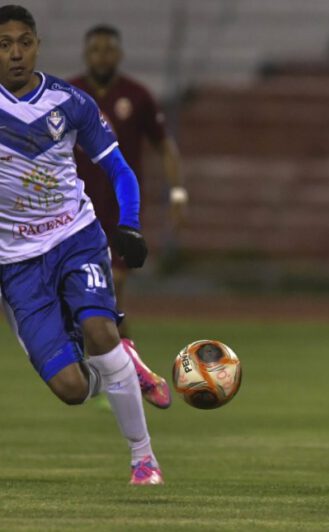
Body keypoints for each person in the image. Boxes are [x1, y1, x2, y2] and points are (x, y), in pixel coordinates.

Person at [0, 5, 164, 485]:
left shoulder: (69, 103)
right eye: (4, 44)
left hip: (75, 236)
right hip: (16, 262)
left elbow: (119, 170)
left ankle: (143, 459)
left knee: (100, 330)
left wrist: (129, 225)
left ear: (38, 45)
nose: (15, 53)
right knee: (71, 388)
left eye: (24, 42)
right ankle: (117, 367)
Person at [69, 24, 185, 402]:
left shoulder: (137, 96)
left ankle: (127, 374)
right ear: (87, 54)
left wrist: (177, 192)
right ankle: (123, 370)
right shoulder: (68, 95)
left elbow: (164, 145)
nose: (102, 55)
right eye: (96, 49)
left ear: (118, 54)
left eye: (108, 49)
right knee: (86, 305)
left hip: (120, 212)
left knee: (111, 294)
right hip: (71, 212)